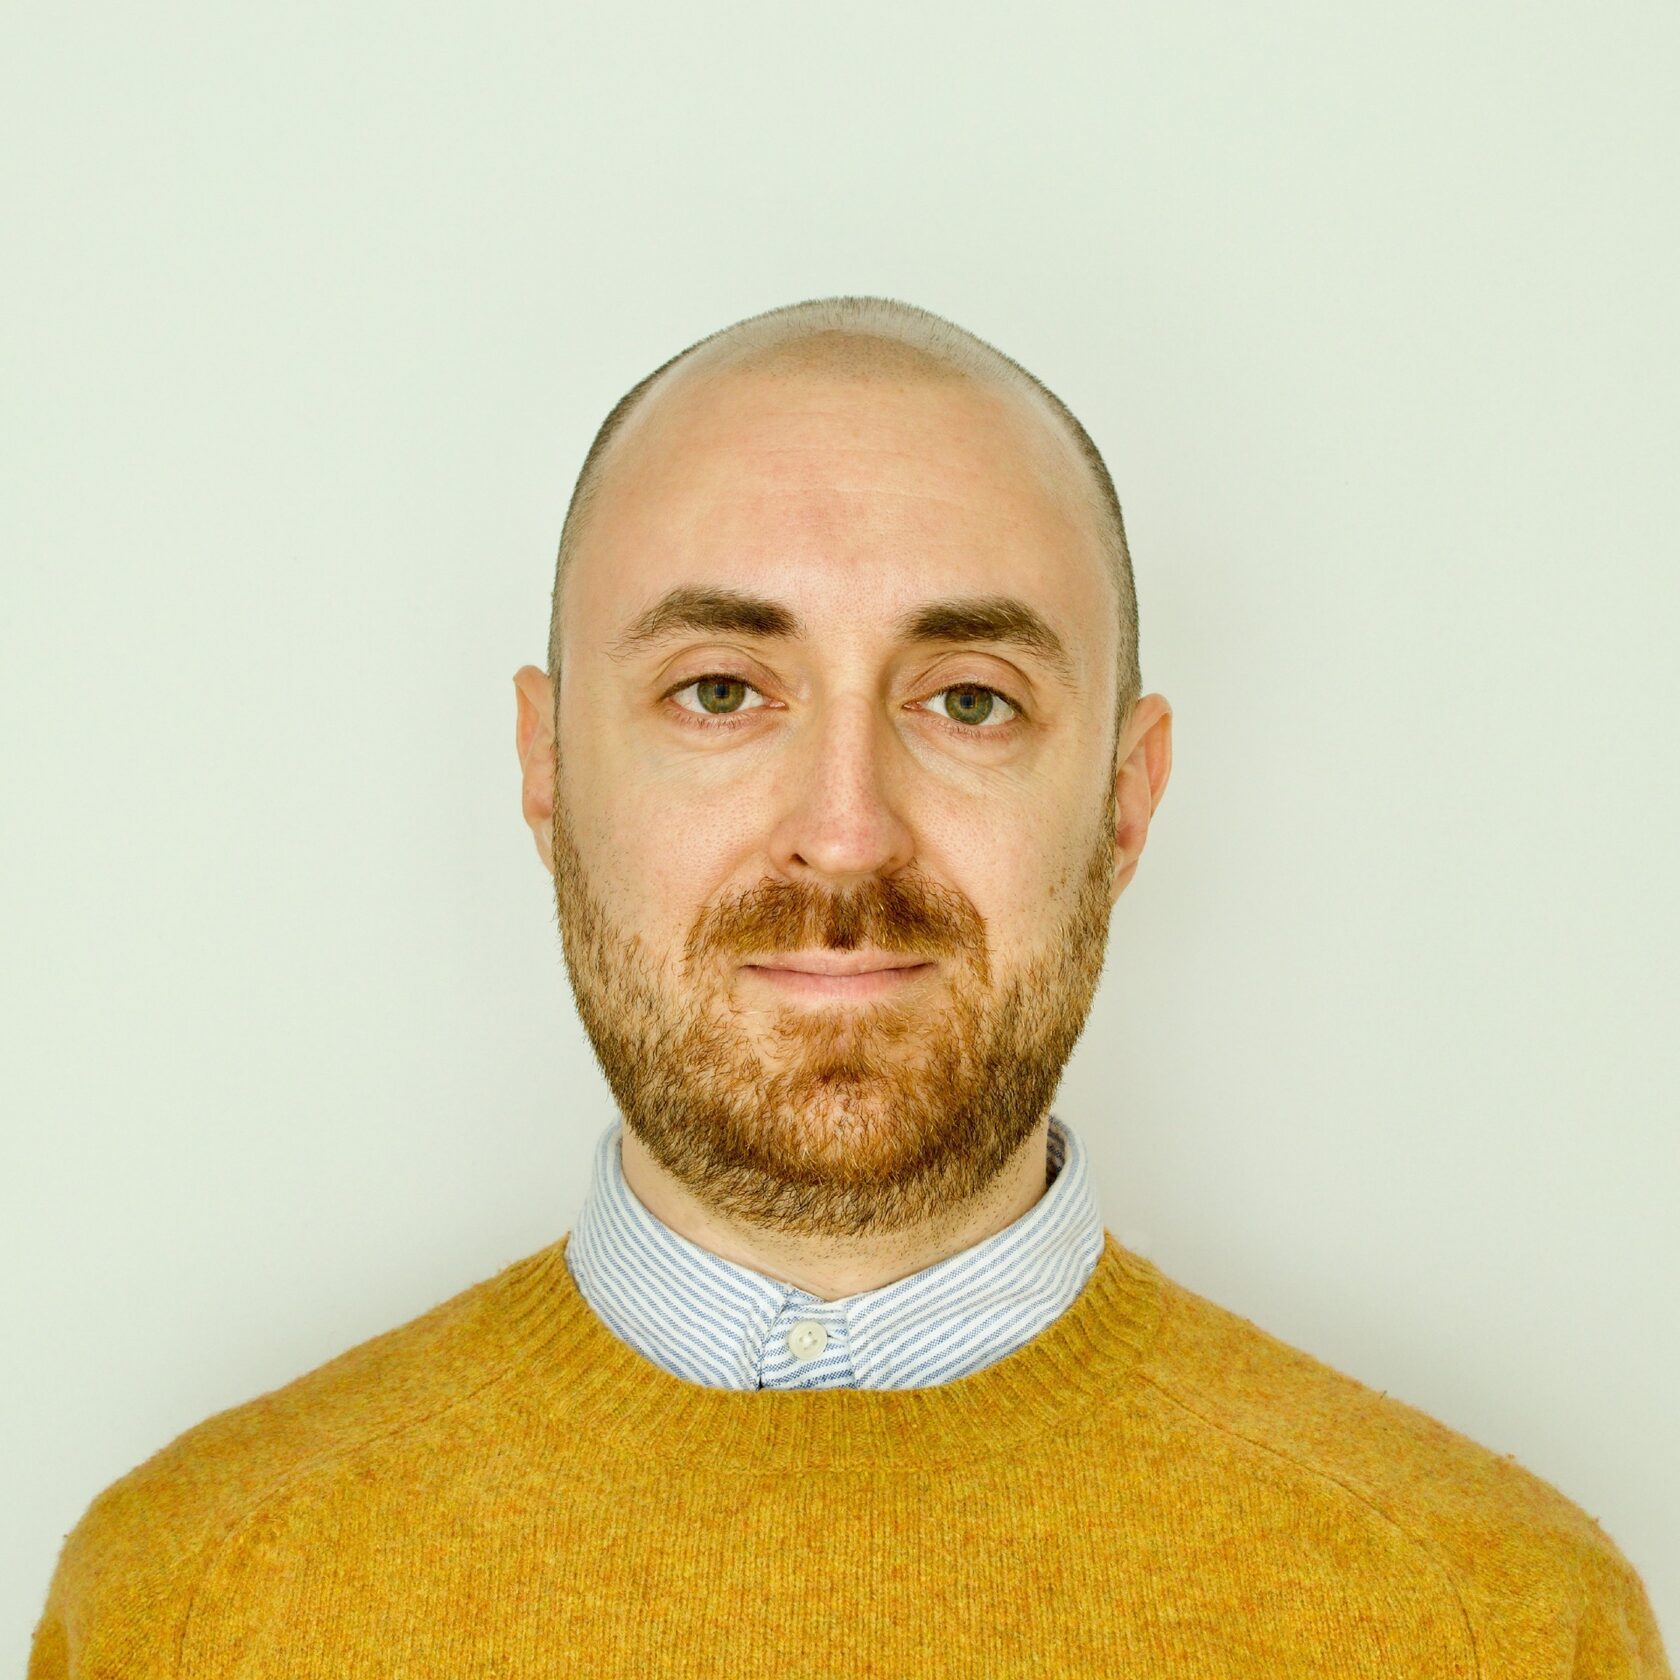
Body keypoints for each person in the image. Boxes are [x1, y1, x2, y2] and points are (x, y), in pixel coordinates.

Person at [30, 296, 1669, 1678]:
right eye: (720, 690)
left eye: (969, 700)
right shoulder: (193, 1605)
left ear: (1126, 797)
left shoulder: (1497, 1623)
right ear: (546, 768)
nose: (844, 832)